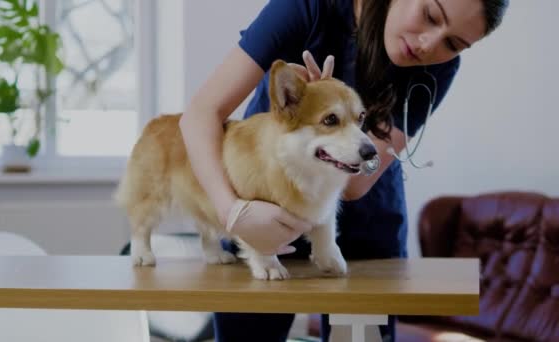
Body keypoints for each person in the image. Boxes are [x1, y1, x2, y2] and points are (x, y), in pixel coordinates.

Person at [179, 0, 509, 341]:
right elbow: (202, 113)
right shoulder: (306, 8)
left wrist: (330, 127)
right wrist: (231, 210)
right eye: (429, 16)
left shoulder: (438, 69)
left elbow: (357, 181)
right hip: (262, 209)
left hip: (365, 228)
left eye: (453, 44)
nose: (429, 44)